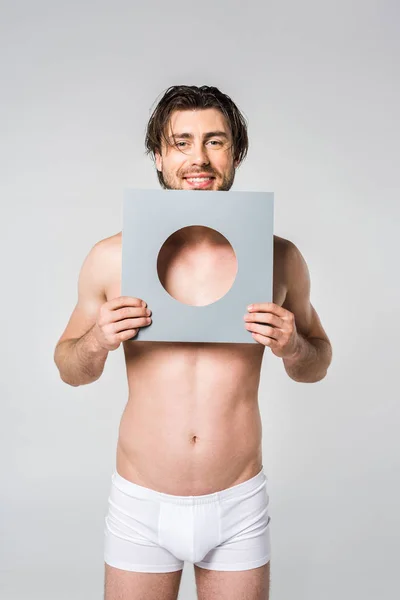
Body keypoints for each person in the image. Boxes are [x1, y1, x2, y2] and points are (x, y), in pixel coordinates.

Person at [54, 85, 332, 600]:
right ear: (158, 156)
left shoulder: (280, 258)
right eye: (181, 142)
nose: (198, 159)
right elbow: (70, 366)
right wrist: (98, 339)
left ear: (236, 153)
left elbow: (316, 361)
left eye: (215, 141)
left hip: (238, 502)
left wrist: (294, 346)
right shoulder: (112, 258)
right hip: (141, 501)